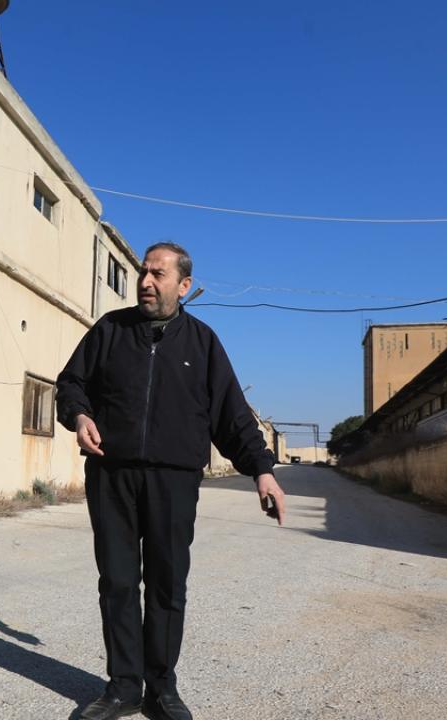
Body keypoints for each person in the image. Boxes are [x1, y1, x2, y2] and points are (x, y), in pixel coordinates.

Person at [56, 242, 285, 720]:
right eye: (143, 272)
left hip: (174, 481)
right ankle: (123, 688)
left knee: (166, 584)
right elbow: (71, 383)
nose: (145, 281)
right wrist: (79, 415)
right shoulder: (110, 330)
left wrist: (262, 470)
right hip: (112, 474)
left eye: (157, 274)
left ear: (183, 286)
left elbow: (232, 417)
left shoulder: (202, 343)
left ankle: (161, 688)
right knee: (118, 582)